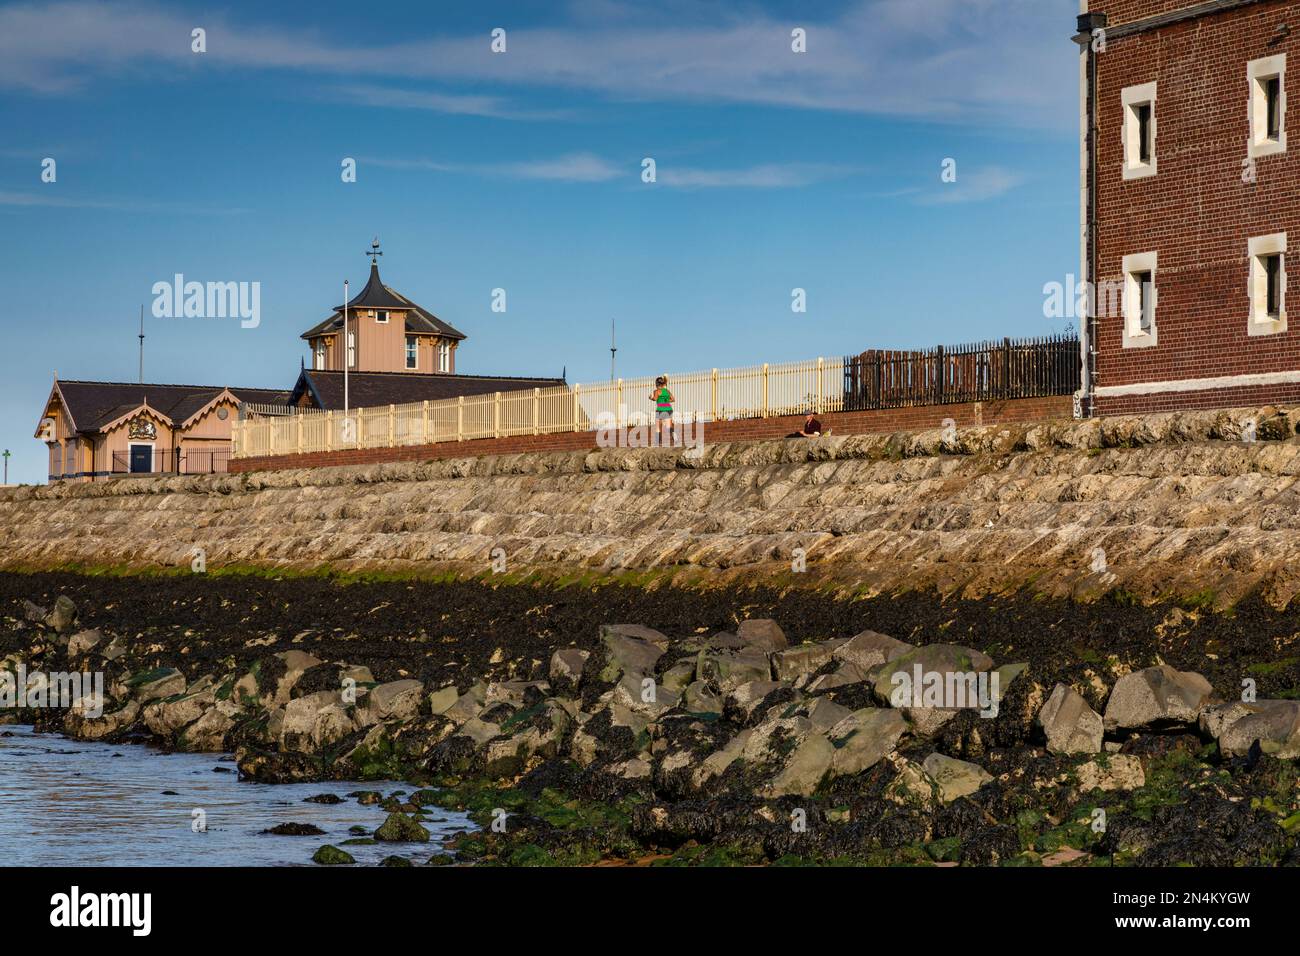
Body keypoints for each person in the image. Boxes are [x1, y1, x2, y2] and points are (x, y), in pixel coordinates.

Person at [650, 376, 674, 444]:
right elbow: (673, 399)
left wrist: (650, 398)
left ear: (656, 384)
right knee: (670, 425)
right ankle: (675, 438)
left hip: (660, 409)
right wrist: (666, 400)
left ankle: (658, 441)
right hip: (669, 409)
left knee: (658, 426)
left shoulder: (656, 391)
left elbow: (655, 399)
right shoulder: (667, 391)